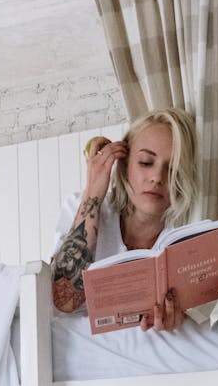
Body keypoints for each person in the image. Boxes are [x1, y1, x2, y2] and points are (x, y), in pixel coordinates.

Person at [51, 107, 200, 331]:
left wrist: (179, 319)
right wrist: (93, 193)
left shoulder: (186, 235)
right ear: (124, 165)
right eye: (146, 163)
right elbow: (64, 300)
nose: (157, 178)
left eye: (172, 169)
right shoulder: (81, 207)